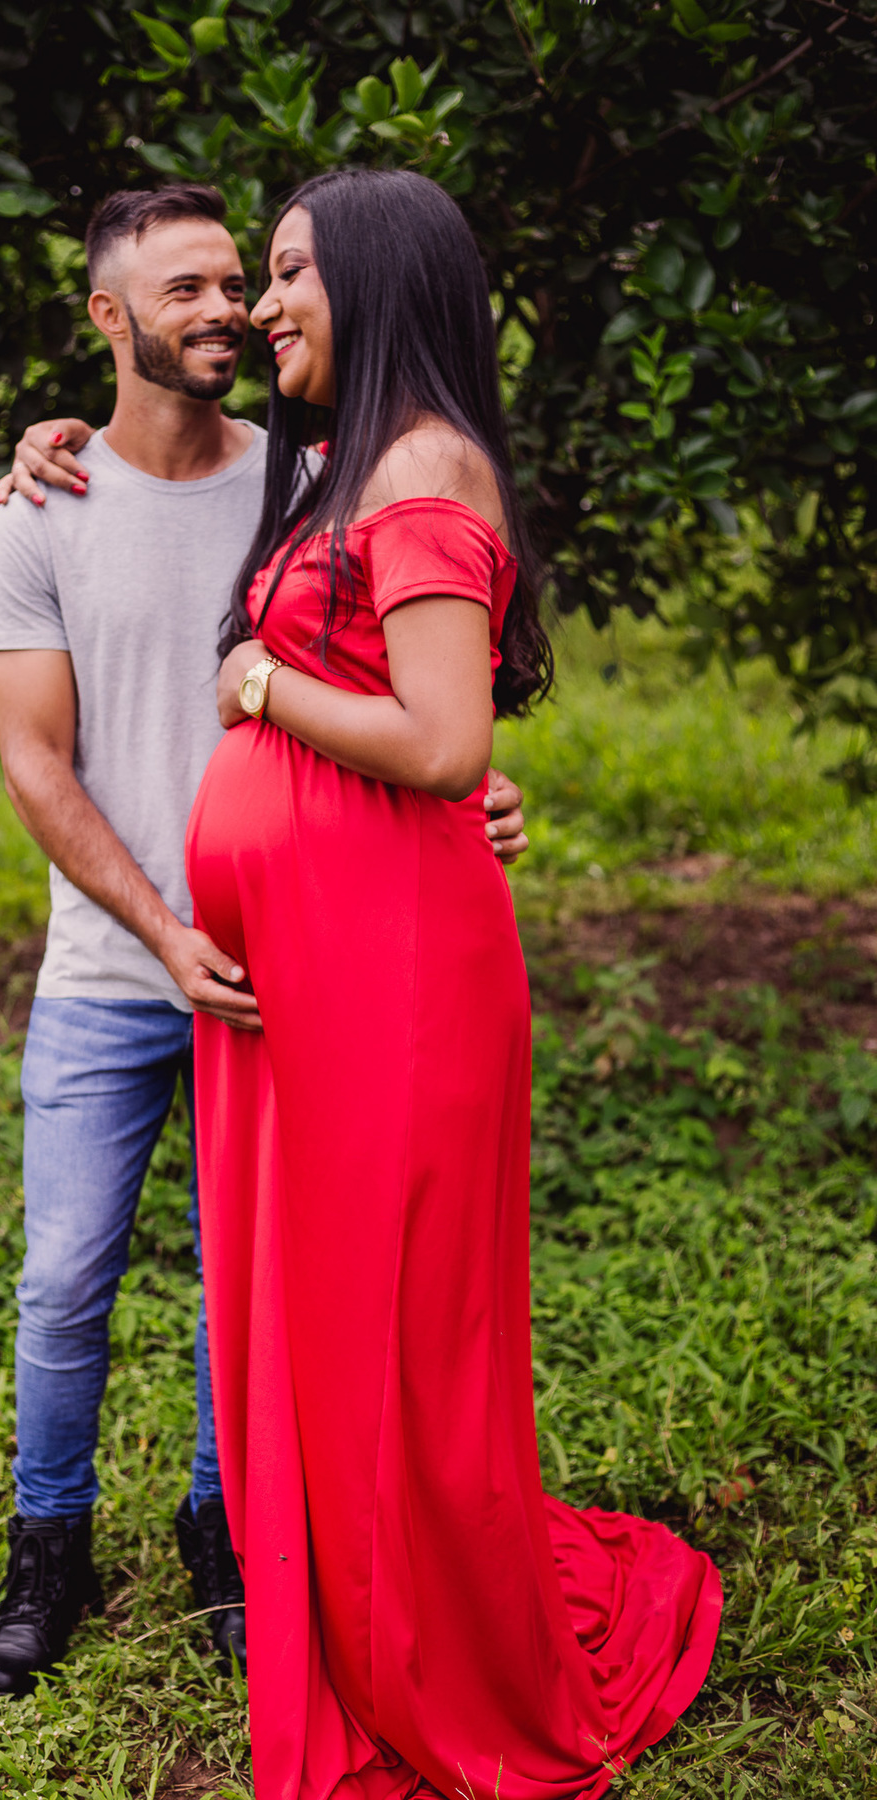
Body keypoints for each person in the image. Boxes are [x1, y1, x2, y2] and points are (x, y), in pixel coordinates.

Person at [185, 168, 722, 1800]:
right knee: (325, 1312)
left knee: (391, 1323)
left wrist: (258, 685)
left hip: (393, 980)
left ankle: (425, 1647)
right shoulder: (342, 465)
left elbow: (439, 741)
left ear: (374, 277)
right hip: (313, 969)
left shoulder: (423, 468)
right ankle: (353, 1614)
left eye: (289, 272)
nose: (263, 305)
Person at [0, 181, 532, 1697]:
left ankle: (231, 1534)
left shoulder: (313, 472)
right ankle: (47, 1550)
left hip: (291, 966)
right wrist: (166, 935)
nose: (229, 309)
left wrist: (461, 793)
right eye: (191, 290)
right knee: (64, 1281)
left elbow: (409, 667)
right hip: (114, 968)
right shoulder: (43, 505)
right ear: (109, 317)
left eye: (243, 282)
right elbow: (36, 765)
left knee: (257, 1276)